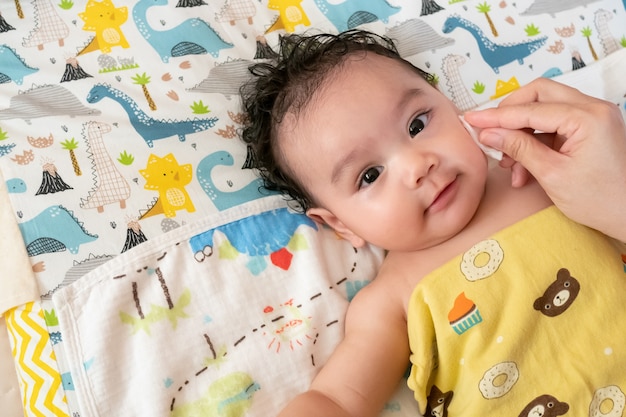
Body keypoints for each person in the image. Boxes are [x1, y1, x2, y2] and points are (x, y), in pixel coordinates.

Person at [240, 30, 626, 417]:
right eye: (370, 175)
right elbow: (338, 400)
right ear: (341, 225)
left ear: (450, 103)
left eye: (417, 125)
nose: (417, 165)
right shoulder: (391, 299)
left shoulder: (557, 172)